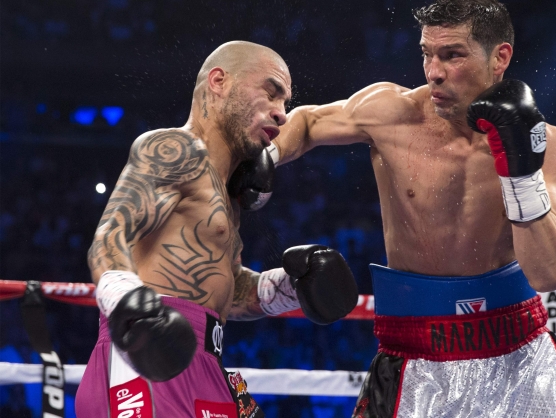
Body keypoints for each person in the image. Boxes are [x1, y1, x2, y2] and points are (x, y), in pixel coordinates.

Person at [271, 0, 556, 417]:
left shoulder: (548, 144)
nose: (434, 72)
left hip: (520, 351)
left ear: (500, 57)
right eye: (427, 54)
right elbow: (307, 121)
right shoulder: (393, 113)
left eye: (452, 55)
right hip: (414, 352)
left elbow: (549, 273)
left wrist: (520, 174)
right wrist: (266, 157)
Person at [75, 41, 358, 418]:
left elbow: (220, 289)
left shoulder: (229, 192)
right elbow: (110, 238)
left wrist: (289, 288)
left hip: (206, 362)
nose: (281, 113)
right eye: (271, 92)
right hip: (147, 360)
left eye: (286, 102)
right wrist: (131, 305)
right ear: (219, 81)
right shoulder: (175, 148)